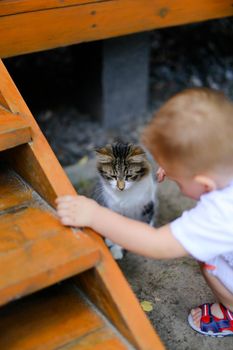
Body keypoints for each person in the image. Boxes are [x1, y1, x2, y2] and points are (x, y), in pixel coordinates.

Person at [56, 87, 233, 337]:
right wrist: (176, 166)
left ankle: (230, 313)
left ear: (205, 184)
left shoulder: (218, 216)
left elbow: (157, 244)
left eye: (180, 182)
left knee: (208, 260)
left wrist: (96, 215)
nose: (177, 186)